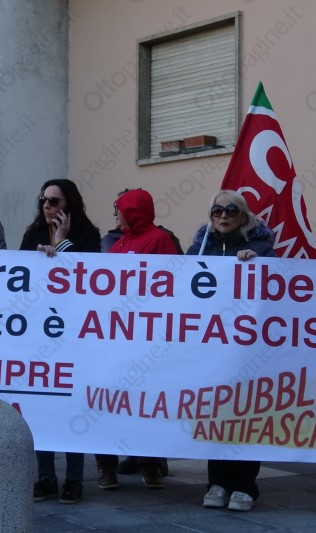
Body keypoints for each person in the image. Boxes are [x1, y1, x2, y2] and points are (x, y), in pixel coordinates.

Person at [186, 189, 275, 512]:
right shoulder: (198, 250)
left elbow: (279, 291)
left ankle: (245, 486)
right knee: (215, 412)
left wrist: (260, 265)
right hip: (211, 348)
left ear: (243, 215)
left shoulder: (262, 249)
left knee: (246, 413)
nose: (223, 216)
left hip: (248, 349)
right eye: (217, 210)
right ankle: (218, 482)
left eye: (230, 210)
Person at [20, 178, 100, 504]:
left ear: (69, 204)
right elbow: (23, 279)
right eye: (44, 200)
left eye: (54, 201)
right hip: (40, 332)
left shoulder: (88, 236)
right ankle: (45, 477)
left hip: (74, 333)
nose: (47, 206)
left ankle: (74, 479)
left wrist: (62, 244)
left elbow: (88, 281)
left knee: (71, 405)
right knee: (41, 405)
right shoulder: (32, 235)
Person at [95, 188, 178, 491]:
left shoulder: (160, 240)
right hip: (116, 337)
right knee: (106, 402)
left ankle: (150, 464)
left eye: (119, 207)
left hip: (147, 338)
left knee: (146, 403)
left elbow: (173, 283)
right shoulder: (117, 244)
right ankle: (106, 466)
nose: (115, 214)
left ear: (132, 210)